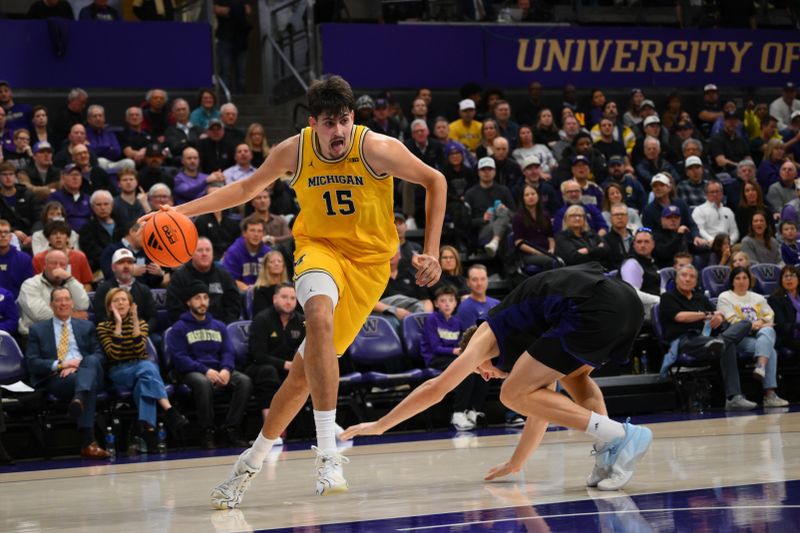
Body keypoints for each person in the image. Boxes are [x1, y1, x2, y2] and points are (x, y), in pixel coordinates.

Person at [141, 75, 445, 505]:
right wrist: (180, 211)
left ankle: (249, 463)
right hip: (318, 249)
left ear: (351, 118)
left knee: (303, 375)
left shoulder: (375, 148)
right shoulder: (294, 150)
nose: (336, 131)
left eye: (343, 120)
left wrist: (431, 251)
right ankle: (327, 452)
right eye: (327, 122)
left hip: (370, 265)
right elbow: (246, 188)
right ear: (313, 122)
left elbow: (436, 181)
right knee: (318, 316)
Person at [343, 263, 652, 491]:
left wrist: (380, 425)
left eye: (481, 369)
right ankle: (609, 454)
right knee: (577, 379)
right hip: (626, 305)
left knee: (510, 393)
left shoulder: (484, 335)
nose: (487, 376)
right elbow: (540, 413)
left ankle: (620, 435)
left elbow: (436, 388)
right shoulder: (532, 342)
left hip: (592, 305)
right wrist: (517, 462)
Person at [97, 288, 188, 451]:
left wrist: (134, 321)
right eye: (116, 300)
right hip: (118, 371)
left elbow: (140, 351)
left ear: (131, 304)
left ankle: (148, 431)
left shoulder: (142, 324)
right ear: (110, 307)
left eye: (124, 300)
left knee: (144, 383)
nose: (120, 303)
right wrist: (118, 324)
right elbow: (114, 355)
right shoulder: (103, 326)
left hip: (140, 368)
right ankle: (169, 409)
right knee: (148, 367)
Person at [25, 287, 109, 459]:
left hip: (86, 370)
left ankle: (79, 399)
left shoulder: (87, 326)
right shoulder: (38, 329)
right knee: (88, 384)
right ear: (51, 304)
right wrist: (61, 365)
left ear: (72, 303)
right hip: (59, 379)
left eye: (66, 299)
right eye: (58, 300)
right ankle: (88, 442)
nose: (63, 303)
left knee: (91, 361)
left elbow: (100, 355)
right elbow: (32, 362)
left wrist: (79, 365)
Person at [659, 264, 756, 410]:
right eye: (684, 275)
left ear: (696, 281)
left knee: (745, 323)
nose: (687, 279)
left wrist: (720, 316)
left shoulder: (701, 298)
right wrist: (705, 315)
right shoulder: (668, 297)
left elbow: (718, 314)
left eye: (692, 276)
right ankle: (733, 397)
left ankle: (718, 343)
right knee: (726, 345)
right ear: (676, 279)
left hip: (709, 336)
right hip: (686, 340)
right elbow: (680, 317)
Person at [169, 280, 253, 449]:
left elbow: (228, 352)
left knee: (244, 381)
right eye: (197, 298)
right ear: (188, 302)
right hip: (192, 371)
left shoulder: (219, 326)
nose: (202, 302)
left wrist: (226, 369)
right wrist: (205, 370)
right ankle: (207, 431)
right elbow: (180, 358)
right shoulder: (179, 328)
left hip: (218, 369)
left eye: (205, 297)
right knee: (202, 382)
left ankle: (230, 428)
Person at [717, 268, 787, 409]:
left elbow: (769, 315)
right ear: (732, 281)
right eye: (738, 278)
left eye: (745, 278)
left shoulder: (758, 298)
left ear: (750, 280)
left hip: (758, 335)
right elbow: (733, 320)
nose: (742, 281)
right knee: (770, 350)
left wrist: (761, 323)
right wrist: (756, 323)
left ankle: (761, 367)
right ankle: (769, 395)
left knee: (768, 330)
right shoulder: (724, 297)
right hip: (738, 338)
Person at [420, 285, 486, 431]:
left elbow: (462, 343)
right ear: (436, 303)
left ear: (456, 303)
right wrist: (456, 351)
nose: (447, 304)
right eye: (443, 301)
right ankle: (457, 413)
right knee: (464, 370)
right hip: (435, 358)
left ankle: (472, 410)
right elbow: (435, 347)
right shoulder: (432, 319)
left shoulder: (456, 322)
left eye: (450, 300)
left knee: (479, 368)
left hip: (452, 356)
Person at [247, 282, 304, 430]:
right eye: (284, 297)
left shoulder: (301, 321)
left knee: (312, 374)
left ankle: (326, 425)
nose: (288, 301)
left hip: (290, 367)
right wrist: (286, 365)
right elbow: (258, 355)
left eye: (292, 298)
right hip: (259, 367)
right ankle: (272, 428)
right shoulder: (261, 319)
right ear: (274, 299)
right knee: (268, 372)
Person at [166, 237, 241, 324]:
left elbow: (234, 306)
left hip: (219, 328)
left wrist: (222, 327)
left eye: (208, 250)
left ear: (212, 254)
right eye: (200, 250)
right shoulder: (179, 278)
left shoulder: (224, 276)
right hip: (189, 329)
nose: (204, 254)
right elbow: (174, 309)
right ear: (191, 254)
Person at [18, 249, 90, 335]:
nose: (58, 267)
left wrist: (70, 279)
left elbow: (83, 305)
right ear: (44, 265)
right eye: (53, 263)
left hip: (68, 334)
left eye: (62, 264)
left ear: (67, 267)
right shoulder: (30, 284)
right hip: (36, 335)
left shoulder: (70, 283)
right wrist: (72, 316)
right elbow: (38, 314)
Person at [463, 157, 515, 257]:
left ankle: (495, 242)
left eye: (489, 169)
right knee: (506, 229)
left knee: (504, 213)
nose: (486, 172)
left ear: (495, 171)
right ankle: (508, 265)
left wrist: (504, 210)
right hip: (483, 230)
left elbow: (514, 215)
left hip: (504, 226)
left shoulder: (504, 190)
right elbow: (466, 222)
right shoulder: (470, 194)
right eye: (483, 169)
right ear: (478, 172)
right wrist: (483, 219)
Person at [32, 220, 93, 291]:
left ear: (68, 237)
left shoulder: (80, 257)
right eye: (54, 234)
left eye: (62, 233)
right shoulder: (38, 259)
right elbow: (35, 285)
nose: (58, 236)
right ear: (48, 239)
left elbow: (87, 284)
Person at [512, 183, 555, 270]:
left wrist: (552, 249)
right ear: (522, 199)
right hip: (528, 255)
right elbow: (519, 242)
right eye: (527, 195)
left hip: (547, 252)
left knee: (562, 258)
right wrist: (538, 252)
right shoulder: (518, 217)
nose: (530, 197)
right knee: (550, 261)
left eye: (533, 194)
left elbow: (550, 237)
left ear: (538, 196)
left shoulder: (545, 215)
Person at [619, 228, 660, 319]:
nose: (642, 245)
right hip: (640, 312)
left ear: (653, 244)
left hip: (654, 307)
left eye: (646, 242)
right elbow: (633, 293)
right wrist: (659, 300)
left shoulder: (650, 262)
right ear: (634, 245)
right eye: (639, 242)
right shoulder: (631, 264)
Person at [555, 204, 610, 269]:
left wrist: (588, 250)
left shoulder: (591, 233)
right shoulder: (561, 236)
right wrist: (598, 250)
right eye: (573, 215)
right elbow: (573, 258)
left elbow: (607, 249)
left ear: (584, 219)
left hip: (599, 270)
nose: (577, 218)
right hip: (577, 273)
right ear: (566, 219)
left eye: (580, 215)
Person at [692, 179, 739, 245]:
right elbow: (700, 230)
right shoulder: (699, 210)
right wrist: (713, 241)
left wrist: (729, 242)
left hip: (728, 245)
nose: (715, 194)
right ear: (706, 194)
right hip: (709, 244)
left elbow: (734, 231)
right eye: (712, 192)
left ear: (722, 193)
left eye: (717, 191)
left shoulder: (728, 211)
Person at [768, 265, 800, 354]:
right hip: (787, 337)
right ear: (781, 280)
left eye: (792, 275)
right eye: (786, 276)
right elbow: (782, 327)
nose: (789, 279)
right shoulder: (775, 299)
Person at [0, 218, 33, 298]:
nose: (3, 235)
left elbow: (28, 289)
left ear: (11, 237)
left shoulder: (24, 259)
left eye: (6, 232)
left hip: (17, 306)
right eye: (0, 232)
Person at [251, 250, 289, 316]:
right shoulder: (259, 290)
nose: (276, 264)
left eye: (279, 261)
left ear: (283, 266)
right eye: (272, 262)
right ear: (266, 266)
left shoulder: (290, 288)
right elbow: (261, 315)